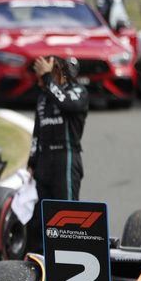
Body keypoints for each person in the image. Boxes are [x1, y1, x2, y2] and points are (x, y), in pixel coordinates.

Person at [26, 56, 89, 253]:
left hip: (66, 158)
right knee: (39, 218)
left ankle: (69, 262)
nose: (40, 78)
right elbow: (37, 131)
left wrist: (47, 78)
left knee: (66, 216)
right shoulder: (44, 97)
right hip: (44, 161)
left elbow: (67, 104)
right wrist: (32, 162)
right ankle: (38, 266)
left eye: (49, 72)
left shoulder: (78, 91)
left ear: (62, 73)